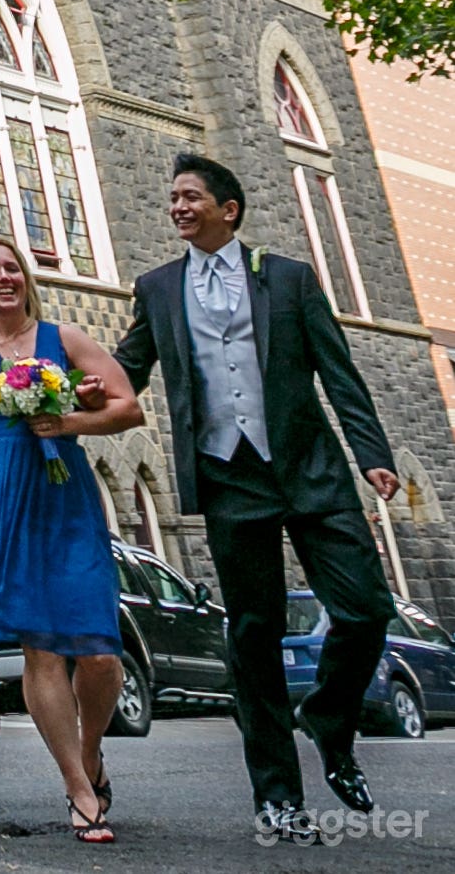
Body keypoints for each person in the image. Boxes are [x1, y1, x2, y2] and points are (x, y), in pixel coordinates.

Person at [107, 152, 398, 845]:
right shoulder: (158, 288)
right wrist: (57, 388)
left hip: (310, 472)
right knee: (254, 636)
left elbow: (339, 372)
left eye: (190, 197)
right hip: (228, 476)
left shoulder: (290, 280)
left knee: (366, 609)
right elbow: (126, 369)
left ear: (227, 210)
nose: (177, 207)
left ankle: (330, 717)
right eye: (173, 198)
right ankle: (277, 797)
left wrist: (374, 457)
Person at [0, 235, 142, 842]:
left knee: (98, 648)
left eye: (12, 267)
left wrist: (71, 420)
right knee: (40, 647)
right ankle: (77, 786)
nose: (3, 277)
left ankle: (90, 752)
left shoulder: (64, 339)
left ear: (26, 277)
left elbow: (127, 406)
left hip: (62, 493)